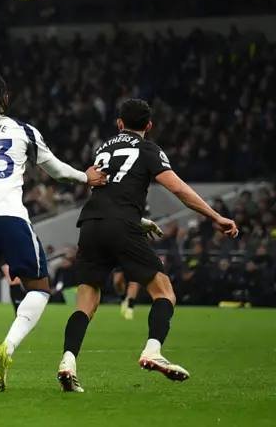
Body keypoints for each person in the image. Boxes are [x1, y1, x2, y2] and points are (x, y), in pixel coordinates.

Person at [57, 98, 238, 392]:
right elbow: (178, 188)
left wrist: (139, 220)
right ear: (149, 125)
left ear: (119, 123)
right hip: (122, 226)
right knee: (164, 291)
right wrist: (215, 216)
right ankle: (153, 350)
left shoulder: (104, 149)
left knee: (86, 301)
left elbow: (108, 192)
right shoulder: (149, 149)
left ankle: (68, 361)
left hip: (90, 224)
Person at [0, 73, 107, 391]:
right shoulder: (22, 131)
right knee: (39, 288)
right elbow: (57, 170)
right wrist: (85, 177)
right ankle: (7, 348)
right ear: (5, 98)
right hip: (10, 215)